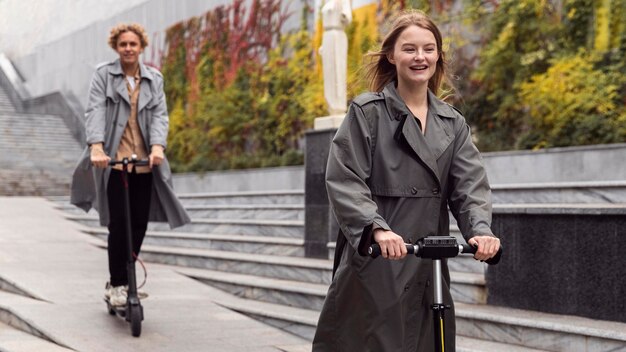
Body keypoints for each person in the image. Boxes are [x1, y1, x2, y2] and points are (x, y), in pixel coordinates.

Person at [312, 10, 501, 351]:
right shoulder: (367, 113)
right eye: (410, 49)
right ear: (391, 55)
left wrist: (481, 231)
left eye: (429, 49)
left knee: (429, 340)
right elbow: (345, 178)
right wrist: (377, 228)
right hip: (379, 259)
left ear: (438, 55)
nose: (420, 57)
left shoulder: (452, 123)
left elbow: (470, 187)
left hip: (428, 264)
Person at [71, 23, 190, 307]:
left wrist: (158, 146)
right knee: (118, 225)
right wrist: (96, 146)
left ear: (141, 47)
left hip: (145, 162)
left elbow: (160, 114)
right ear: (116, 47)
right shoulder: (104, 75)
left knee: (138, 224)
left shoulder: (154, 79)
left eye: (132, 44)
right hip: (113, 161)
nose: (128, 49)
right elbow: (95, 110)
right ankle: (118, 284)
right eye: (123, 44)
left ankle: (124, 278)